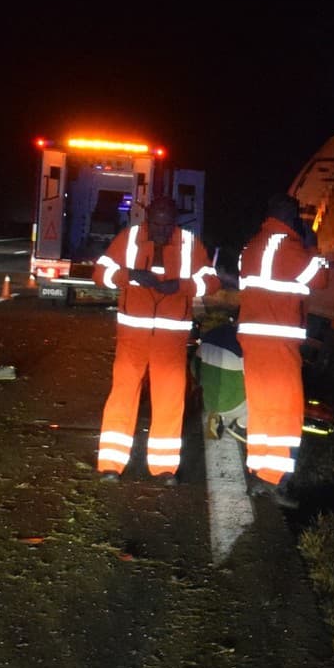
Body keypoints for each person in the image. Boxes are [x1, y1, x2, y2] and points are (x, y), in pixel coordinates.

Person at [95, 194, 219, 483]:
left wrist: (183, 285)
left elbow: (211, 282)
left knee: (170, 399)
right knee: (122, 396)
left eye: (166, 224)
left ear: (174, 221)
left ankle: (164, 468)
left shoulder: (190, 244)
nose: (161, 229)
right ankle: (111, 465)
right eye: (156, 223)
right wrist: (131, 275)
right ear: (148, 219)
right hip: (132, 337)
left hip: (171, 340)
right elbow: (100, 273)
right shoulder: (129, 239)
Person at [237, 192, 328, 507]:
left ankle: (257, 474)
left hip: (253, 341)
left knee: (261, 411)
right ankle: (275, 481)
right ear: (291, 217)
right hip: (278, 343)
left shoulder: (251, 247)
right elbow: (320, 279)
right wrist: (313, 245)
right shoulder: (291, 249)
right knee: (286, 415)